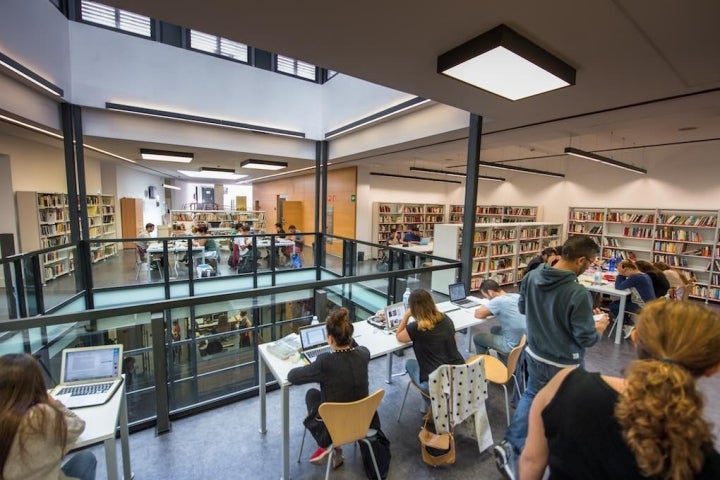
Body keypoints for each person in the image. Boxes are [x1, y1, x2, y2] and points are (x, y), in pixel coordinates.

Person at [520, 300, 720, 480]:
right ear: (714, 367)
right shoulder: (704, 461)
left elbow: (532, 461)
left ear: (635, 338)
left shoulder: (565, 385)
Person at [494, 235, 609, 480]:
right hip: (564, 362)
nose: (589, 267)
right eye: (590, 262)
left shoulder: (532, 276)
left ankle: (511, 444)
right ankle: (561, 457)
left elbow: (525, 309)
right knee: (571, 406)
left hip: (535, 353)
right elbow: (586, 339)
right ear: (580, 260)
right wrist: (598, 327)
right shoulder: (577, 293)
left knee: (532, 394)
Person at [287, 308, 377, 469]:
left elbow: (292, 377)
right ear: (350, 336)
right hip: (362, 423)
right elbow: (358, 348)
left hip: (335, 430)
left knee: (312, 394)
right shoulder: (364, 354)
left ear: (329, 339)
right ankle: (336, 451)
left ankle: (333, 448)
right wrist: (348, 340)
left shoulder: (324, 362)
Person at [0, 353, 97, 480]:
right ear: (36, 382)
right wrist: (52, 402)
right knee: (87, 458)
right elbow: (78, 425)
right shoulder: (40, 415)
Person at [396, 289, 465, 408]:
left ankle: (433, 407)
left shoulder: (416, 327)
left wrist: (406, 315)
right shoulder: (446, 319)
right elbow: (454, 344)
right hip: (458, 375)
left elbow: (399, 336)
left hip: (436, 383)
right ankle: (436, 407)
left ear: (413, 308)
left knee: (410, 363)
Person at [472, 279, 526, 358]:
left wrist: (484, 307)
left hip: (511, 346)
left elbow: (478, 314)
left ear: (490, 292)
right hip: (524, 340)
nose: (487, 299)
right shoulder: (516, 296)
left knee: (477, 338)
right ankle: (505, 362)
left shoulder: (498, 301)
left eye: (486, 296)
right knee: (494, 329)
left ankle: (485, 366)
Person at [612, 260, 656, 338]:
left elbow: (618, 287)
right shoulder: (644, 275)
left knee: (614, 306)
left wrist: (620, 274)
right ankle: (625, 322)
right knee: (621, 303)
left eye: (624, 272)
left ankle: (629, 325)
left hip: (643, 306)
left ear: (628, 269)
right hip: (651, 305)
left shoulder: (635, 277)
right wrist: (623, 273)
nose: (625, 275)